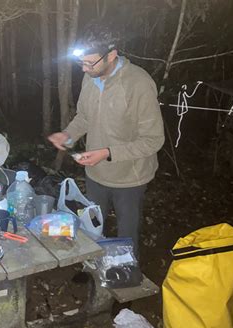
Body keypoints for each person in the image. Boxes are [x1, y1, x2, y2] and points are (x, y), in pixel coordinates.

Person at [48, 26, 165, 256]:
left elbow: (153, 140)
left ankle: (126, 276)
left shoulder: (139, 84)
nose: (84, 68)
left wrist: (108, 152)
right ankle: (94, 269)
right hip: (95, 173)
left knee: (126, 235)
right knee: (92, 227)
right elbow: (84, 117)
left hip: (130, 178)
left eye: (90, 63)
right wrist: (68, 135)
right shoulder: (90, 77)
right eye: (81, 62)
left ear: (111, 55)